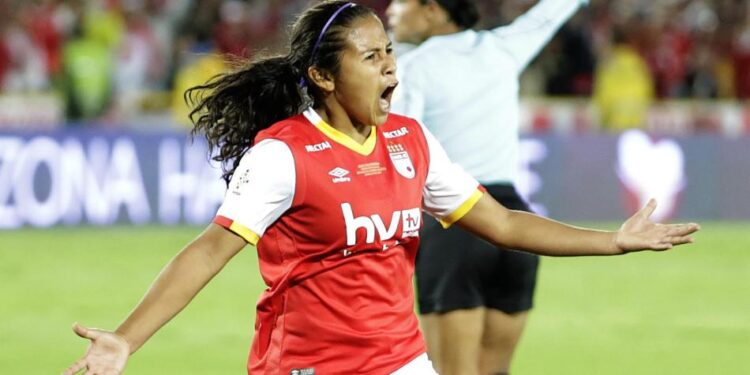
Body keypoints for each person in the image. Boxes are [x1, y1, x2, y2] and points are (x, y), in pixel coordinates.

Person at [63, 1, 699, 374]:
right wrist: (126, 338)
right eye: (371, 57)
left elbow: (503, 223)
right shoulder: (285, 154)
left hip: (403, 362)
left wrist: (612, 241)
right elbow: (207, 251)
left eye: (390, 52)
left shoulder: (412, 142)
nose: (391, 66)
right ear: (323, 75)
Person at [386, 0, 588, 373]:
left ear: (434, 10)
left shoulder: (412, 70)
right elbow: (551, 11)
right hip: (516, 225)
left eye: (401, 2)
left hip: (454, 224)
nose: (391, 11)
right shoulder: (503, 47)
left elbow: (399, 148)